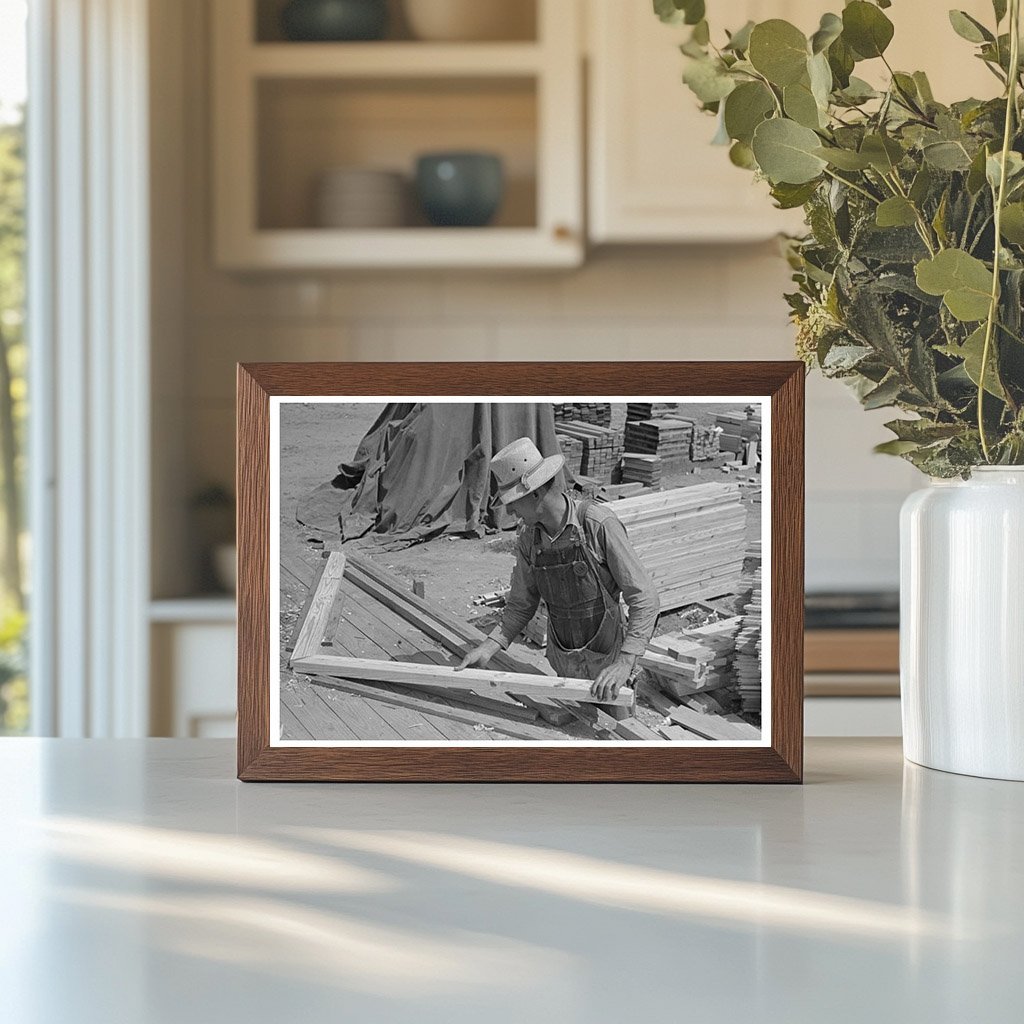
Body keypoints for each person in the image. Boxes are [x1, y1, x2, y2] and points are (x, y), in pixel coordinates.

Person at [458, 437, 659, 708]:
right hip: (564, 661)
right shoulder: (530, 539)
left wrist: (625, 662)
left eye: (514, 501)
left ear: (536, 493)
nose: (510, 510)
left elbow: (645, 597)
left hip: (608, 661)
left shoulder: (597, 525)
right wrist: (488, 648)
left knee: (618, 733)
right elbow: (520, 605)